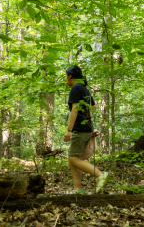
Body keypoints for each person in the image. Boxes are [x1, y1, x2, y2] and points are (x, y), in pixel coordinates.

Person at [62, 65, 109, 193]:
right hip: (86, 128)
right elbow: (93, 108)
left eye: (66, 76)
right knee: (74, 159)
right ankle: (77, 190)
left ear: (71, 76)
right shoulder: (83, 88)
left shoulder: (76, 88)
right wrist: (86, 120)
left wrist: (69, 130)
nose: (65, 79)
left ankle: (100, 175)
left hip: (80, 129)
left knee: (73, 159)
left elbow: (74, 110)